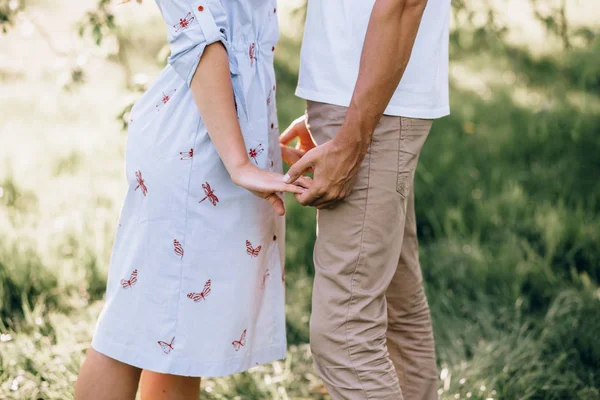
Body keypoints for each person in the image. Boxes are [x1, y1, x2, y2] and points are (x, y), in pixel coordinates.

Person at [75, 1, 302, 399]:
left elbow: (243, 44)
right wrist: (238, 159)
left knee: (183, 340)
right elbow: (200, 39)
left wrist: (254, 142)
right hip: (193, 143)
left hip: (221, 133)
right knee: (132, 330)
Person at [279, 0, 451, 398]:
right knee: (396, 310)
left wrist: (352, 136)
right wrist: (329, 112)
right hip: (361, 99)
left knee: (344, 335)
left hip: (372, 109)